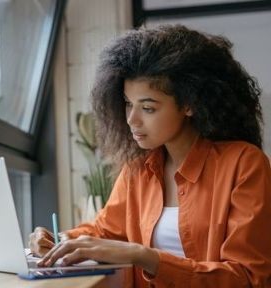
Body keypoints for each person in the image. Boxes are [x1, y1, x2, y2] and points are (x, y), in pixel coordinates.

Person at [29, 25, 271, 287]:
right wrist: (57, 240)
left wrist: (144, 256)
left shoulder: (244, 164)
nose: (132, 119)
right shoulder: (137, 171)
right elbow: (103, 231)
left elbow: (248, 278)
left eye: (148, 107)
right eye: (127, 104)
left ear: (189, 104)